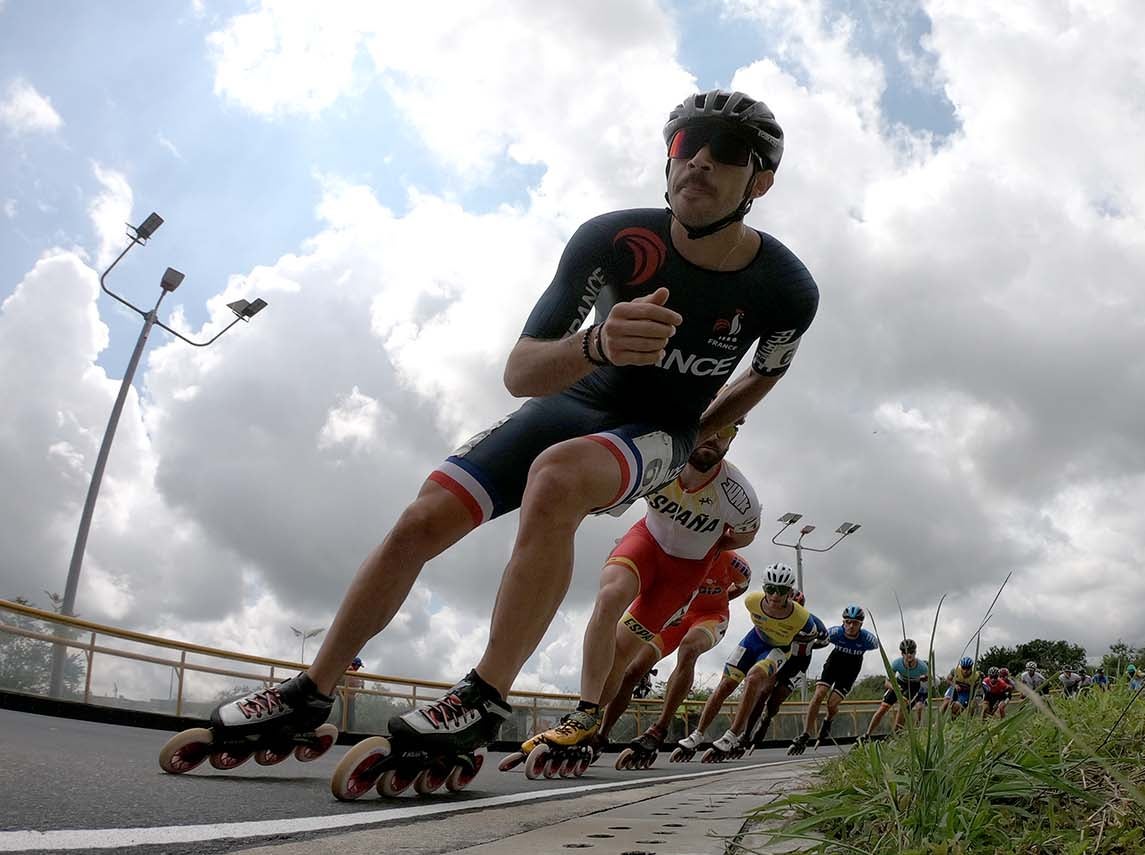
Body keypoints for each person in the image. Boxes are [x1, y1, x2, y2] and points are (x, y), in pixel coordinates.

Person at [204, 89, 818, 771]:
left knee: (557, 476)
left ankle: (484, 694)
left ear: (759, 183)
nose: (698, 159)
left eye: (724, 150)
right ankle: (311, 689)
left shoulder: (786, 288)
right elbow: (522, 372)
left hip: (659, 429)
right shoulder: (613, 240)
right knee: (419, 520)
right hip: (576, 397)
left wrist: (700, 429)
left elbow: (767, 371)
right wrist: (597, 345)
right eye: (684, 143)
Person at [514, 420, 759, 762]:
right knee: (610, 597)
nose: (715, 438)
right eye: (712, 425)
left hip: (683, 574)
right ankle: (583, 713)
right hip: (645, 543)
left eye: (727, 431)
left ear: (733, 439)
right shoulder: (658, 456)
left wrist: (709, 546)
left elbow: (743, 537)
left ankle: (589, 721)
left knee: (622, 653)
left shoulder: (739, 496)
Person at [598, 548, 752, 763]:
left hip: (710, 616)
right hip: (676, 613)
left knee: (689, 649)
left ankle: (659, 729)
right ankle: (601, 734)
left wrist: (722, 599)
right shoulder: (676, 551)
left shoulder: (735, 563)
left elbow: (743, 585)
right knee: (633, 670)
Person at [677, 563, 813, 758]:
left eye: (782, 590)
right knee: (725, 685)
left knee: (753, 678)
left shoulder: (803, 618)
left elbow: (815, 637)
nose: (775, 595)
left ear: (789, 592)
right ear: (764, 588)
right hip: (752, 642)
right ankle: (697, 734)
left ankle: (732, 735)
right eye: (770, 589)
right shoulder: (752, 601)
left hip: (777, 650)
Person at [743, 591, 828, 752]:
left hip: (798, 664)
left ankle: (766, 719)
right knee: (763, 692)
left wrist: (808, 647)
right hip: (780, 655)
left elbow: (825, 641)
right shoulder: (776, 617)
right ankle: (746, 734)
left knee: (775, 700)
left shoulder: (814, 623)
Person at [791, 605, 878, 749]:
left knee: (831, 705)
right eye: (848, 622)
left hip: (851, 669)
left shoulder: (869, 640)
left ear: (861, 625)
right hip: (834, 663)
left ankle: (829, 719)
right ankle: (805, 733)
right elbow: (817, 640)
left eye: (855, 623)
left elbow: (877, 646)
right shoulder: (835, 633)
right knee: (818, 695)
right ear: (843, 622)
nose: (851, 626)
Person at [865, 640, 931, 733]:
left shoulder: (922, 666)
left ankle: (896, 733)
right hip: (899, 683)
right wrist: (894, 687)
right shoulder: (896, 663)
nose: (909, 655)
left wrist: (923, 679)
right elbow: (886, 683)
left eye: (911, 652)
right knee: (883, 707)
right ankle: (867, 734)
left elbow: (928, 679)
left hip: (913, 685)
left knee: (903, 705)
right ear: (902, 654)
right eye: (905, 652)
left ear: (915, 652)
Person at [940, 654, 979, 719]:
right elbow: (948, 680)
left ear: (971, 668)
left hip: (965, 693)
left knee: (956, 707)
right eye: (963, 668)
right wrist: (955, 685)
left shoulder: (975, 676)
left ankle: (952, 720)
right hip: (954, 688)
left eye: (968, 668)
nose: (965, 671)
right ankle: (937, 721)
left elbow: (977, 688)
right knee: (947, 701)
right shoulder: (955, 671)